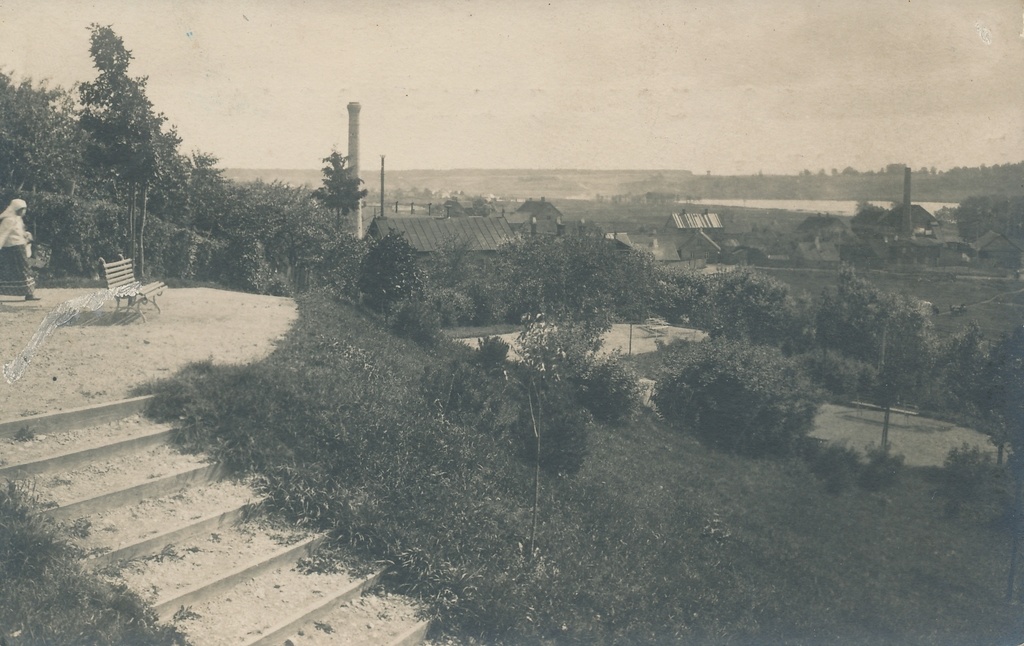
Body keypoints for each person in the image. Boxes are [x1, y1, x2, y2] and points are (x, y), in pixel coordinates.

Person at [0, 198, 40, 301]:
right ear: (16, 209)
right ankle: (29, 294)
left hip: (20, 248)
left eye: (25, 209)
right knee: (15, 271)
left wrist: (26, 235)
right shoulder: (9, 220)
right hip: (12, 249)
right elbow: (3, 234)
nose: (24, 211)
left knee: (25, 270)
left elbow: (19, 232)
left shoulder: (18, 219)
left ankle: (29, 293)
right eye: (22, 209)